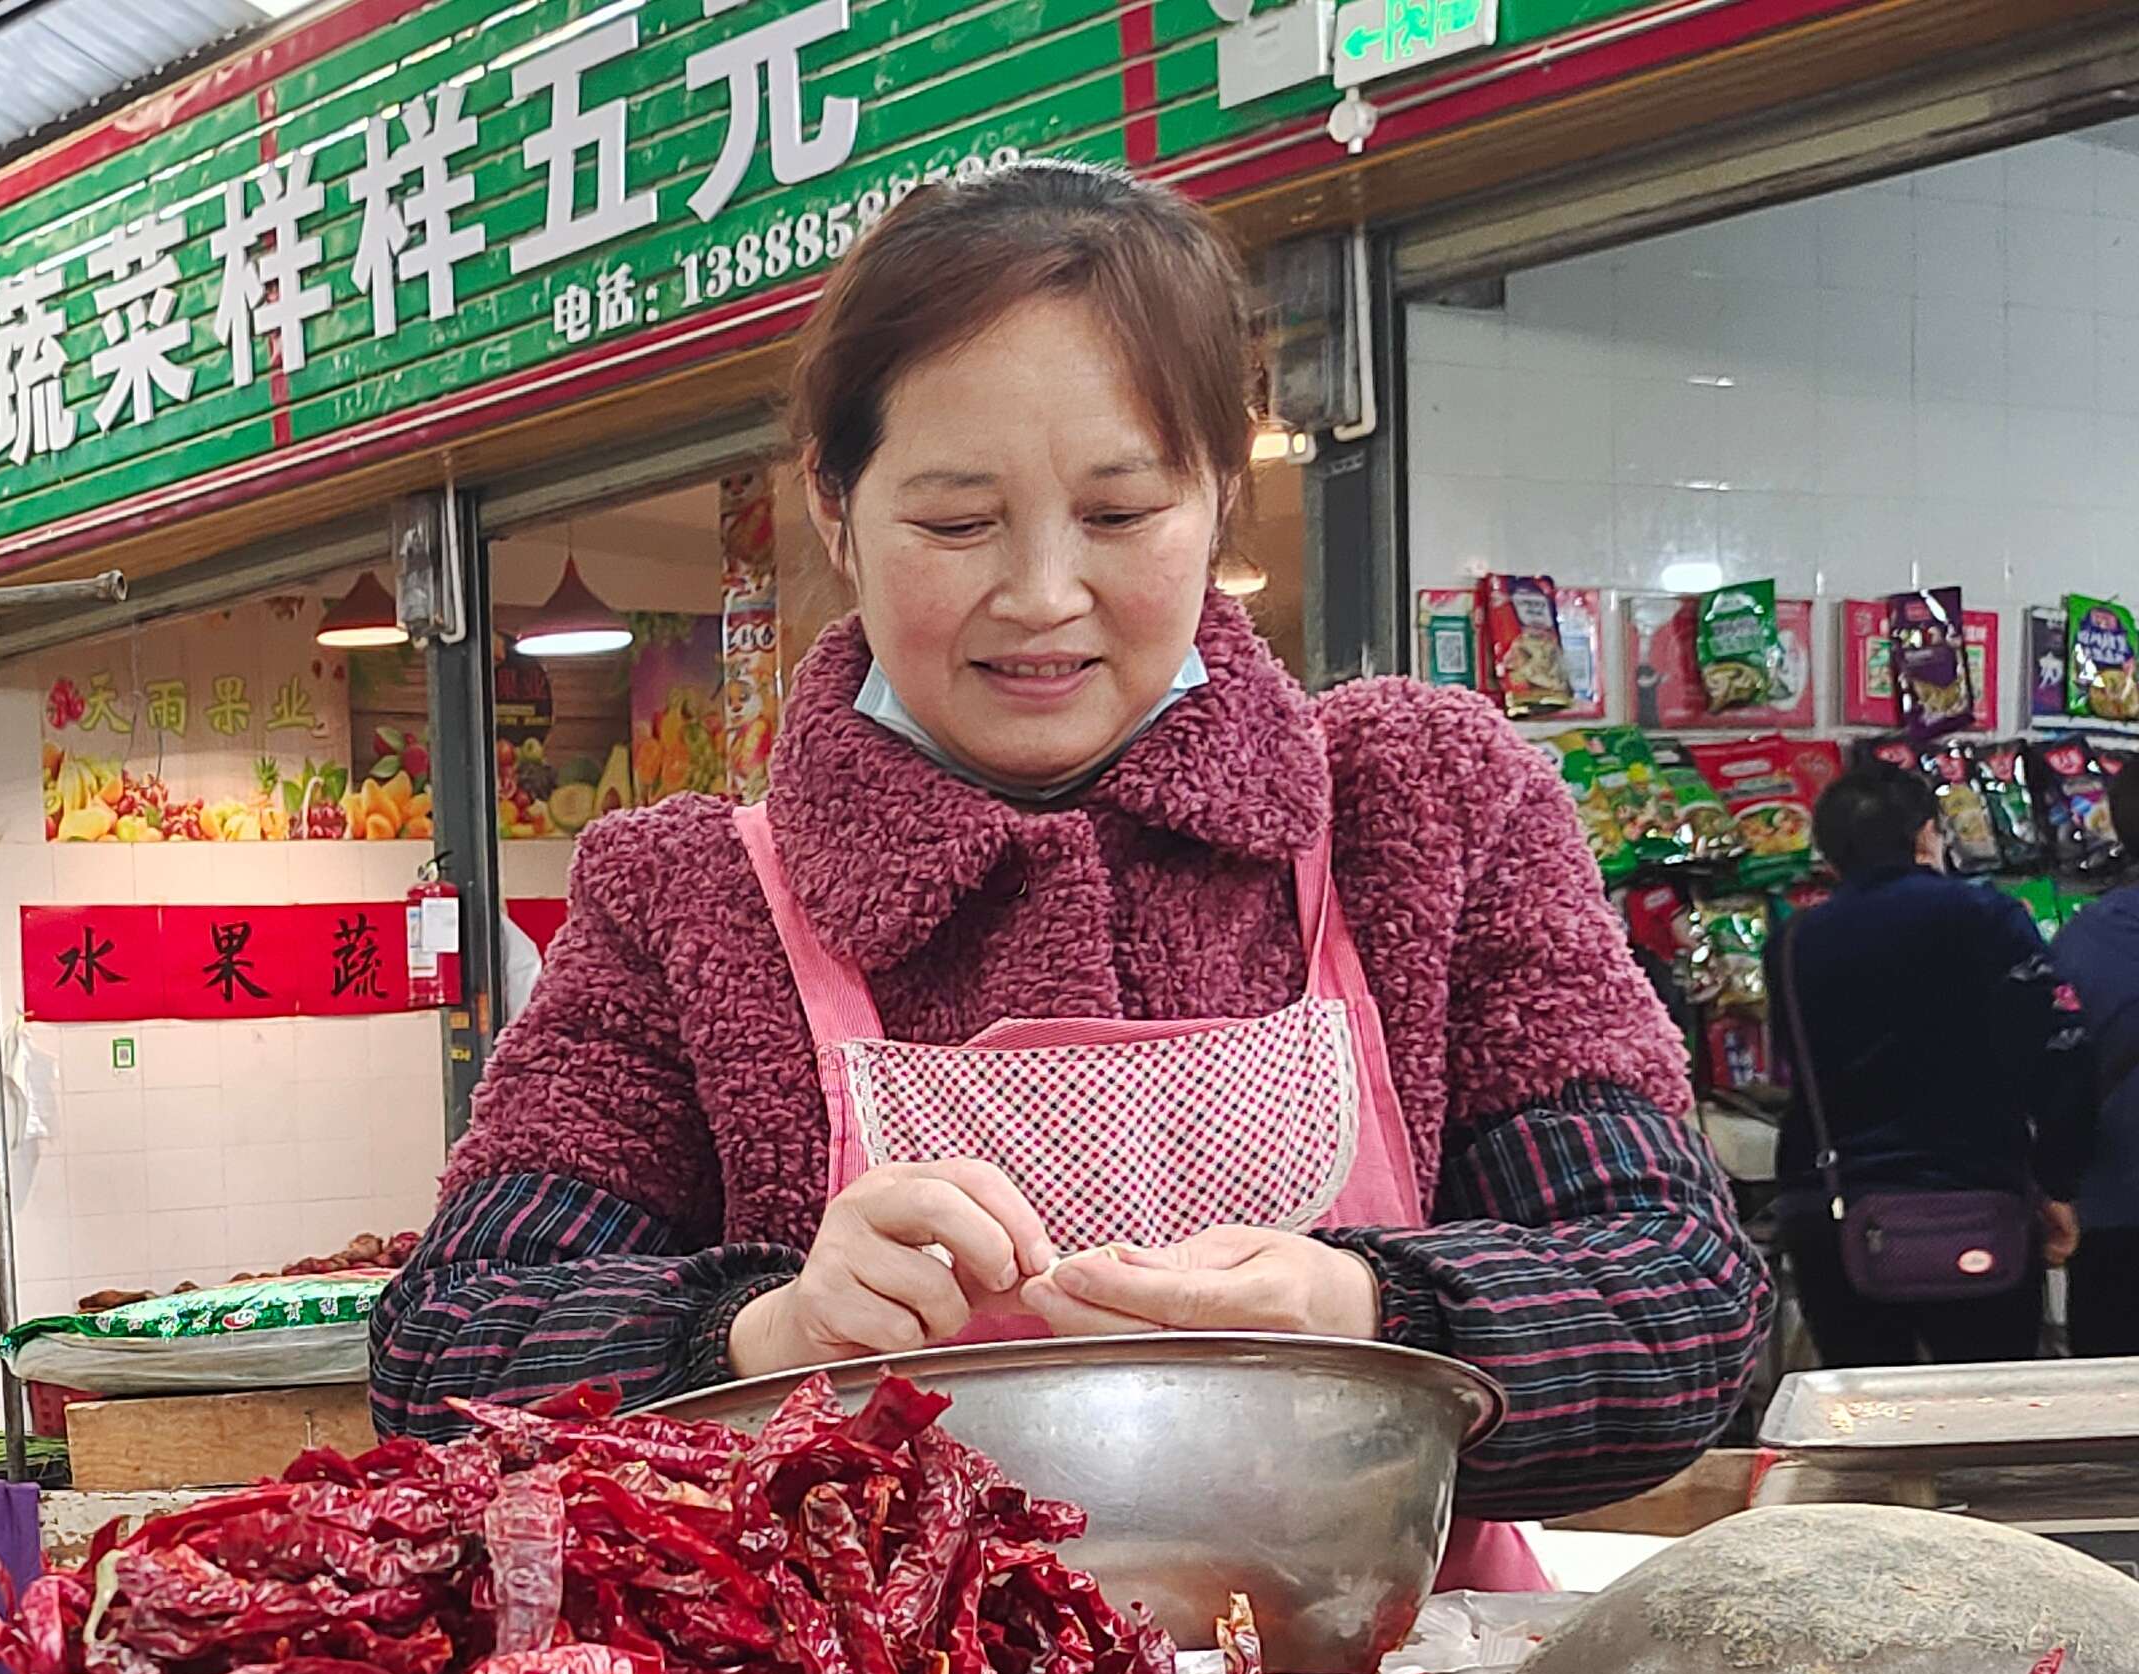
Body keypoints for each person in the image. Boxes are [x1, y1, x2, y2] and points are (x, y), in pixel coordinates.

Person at [369, 164, 1764, 1546]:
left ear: (1219, 492)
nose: (1042, 596)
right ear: (835, 509)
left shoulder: (1423, 810)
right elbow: (447, 1354)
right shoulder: (690, 901)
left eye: (1118, 514)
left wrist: (1372, 1315)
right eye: (955, 522)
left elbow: (1681, 1296)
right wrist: (761, 1336)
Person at [1771, 762, 2086, 1370]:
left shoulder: (1792, 942)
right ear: (1925, 835)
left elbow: (1800, 1069)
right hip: (1973, 1208)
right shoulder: (1987, 916)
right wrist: (2058, 1179)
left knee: (1865, 1416)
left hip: (1834, 1216)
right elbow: (2061, 1049)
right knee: (1984, 1408)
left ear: (1829, 855)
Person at [2046, 759, 2139, 1356]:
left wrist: (2053, 1183)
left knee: (2110, 1397)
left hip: (2113, 1212)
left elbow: (2058, 1075)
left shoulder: (2083, 938)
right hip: (2111, 1207)